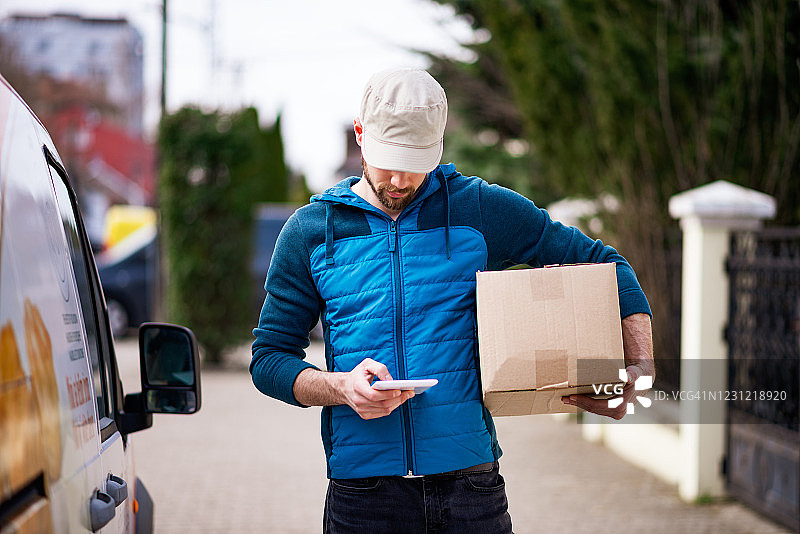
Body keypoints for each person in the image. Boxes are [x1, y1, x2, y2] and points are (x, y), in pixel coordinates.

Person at [251, 68, 654, 533]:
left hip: (471, 495)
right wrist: (341, 388)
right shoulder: (311, 231)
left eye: (416, 160)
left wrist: (640, 371)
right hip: (362, 500)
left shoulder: (477, 208)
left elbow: (608, 265)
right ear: (360, 135)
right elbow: (269, 359)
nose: (401, 178)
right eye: (389, 160)